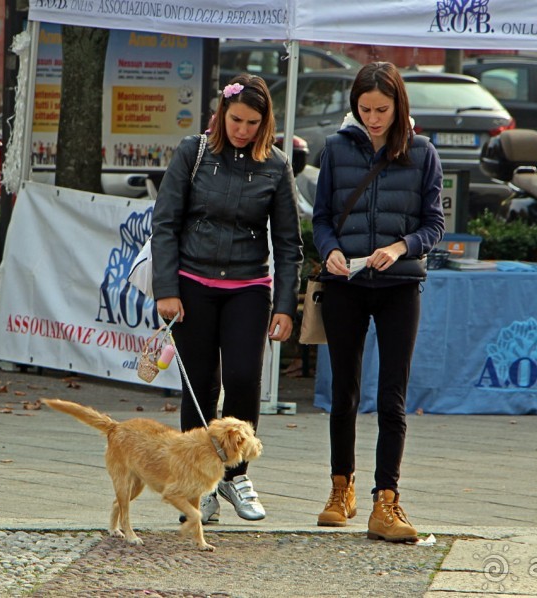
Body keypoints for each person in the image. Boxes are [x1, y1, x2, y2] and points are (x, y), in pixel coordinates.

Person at [151, 74, 303, 523]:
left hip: (248, 288)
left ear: (265, 123)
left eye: (252, 122)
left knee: (242, 379)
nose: (242, 129)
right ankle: (199, 483)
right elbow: (165, 224)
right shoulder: (192, 152)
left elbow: (290, 243)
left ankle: (237, 475)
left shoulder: (276, 166)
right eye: (235, 119)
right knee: (200, 388)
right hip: (192, 284)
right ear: (220, 115)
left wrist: (285, 305)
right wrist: (166, 290)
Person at [311, 62, 444, 542]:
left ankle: (385, 501)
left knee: (392, 397)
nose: (372, 118)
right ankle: (339, 489)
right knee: (342, 391)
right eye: (364, 109)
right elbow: (322, 217)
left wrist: (400, 247)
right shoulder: (335, 149)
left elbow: (433, 224)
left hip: (399, 285)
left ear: (398, 106)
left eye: (382, 110)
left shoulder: (424, 153)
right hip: (346, 284)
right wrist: (330, 250)